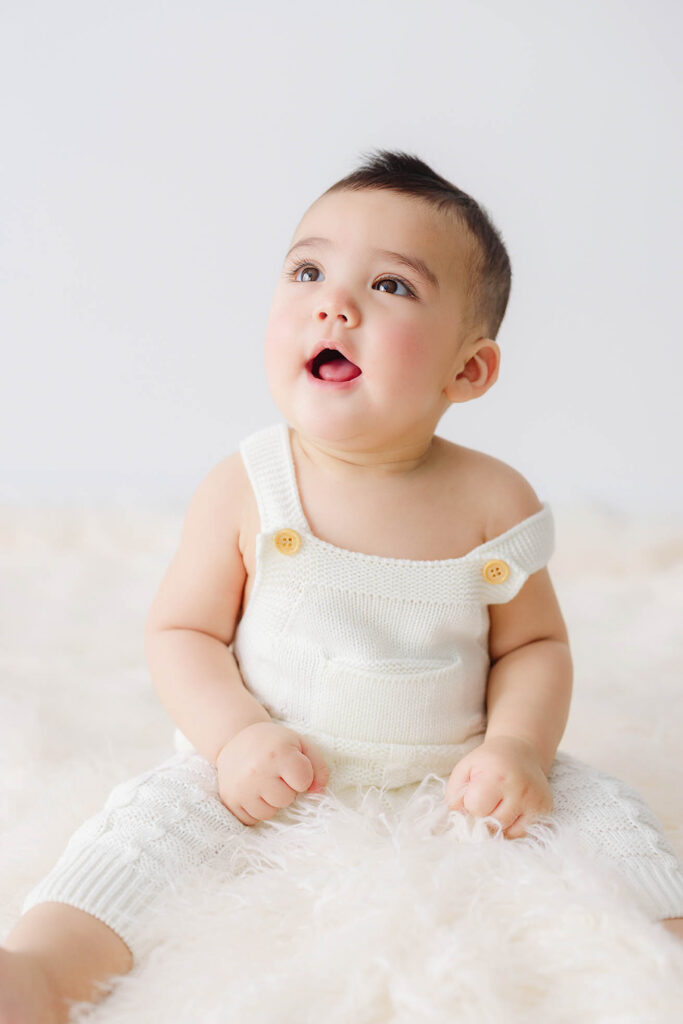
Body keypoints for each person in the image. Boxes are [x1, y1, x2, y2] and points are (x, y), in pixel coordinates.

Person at [2, 150, 682, 1023]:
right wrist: (237, 736)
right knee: (146, 834)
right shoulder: (251, 484)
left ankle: (662, 942)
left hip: (456, 764)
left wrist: (513, 748)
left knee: (607, 817)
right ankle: (45, 970)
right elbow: (183, 634)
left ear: (467, 372)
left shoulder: (491, 499)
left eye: (391, 287)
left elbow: (534, 646)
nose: (333, 303)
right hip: (274, 757)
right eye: (308, 270)